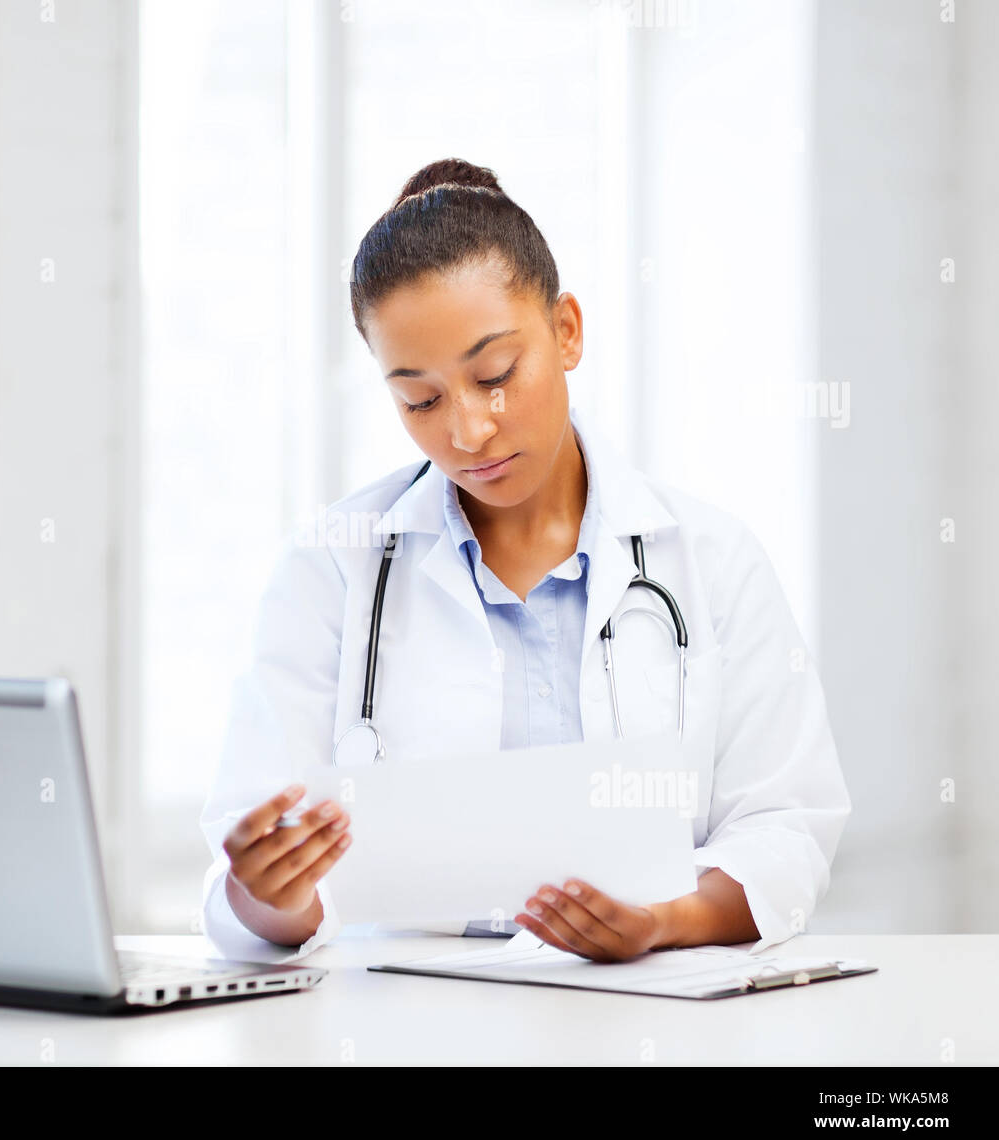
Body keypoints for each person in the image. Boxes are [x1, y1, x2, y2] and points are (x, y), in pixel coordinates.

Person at [199, 158, 850, 964]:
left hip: (651, 1022)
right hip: (404, 1025)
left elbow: (786, 825)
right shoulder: (332, 568)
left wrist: (663, 920)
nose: (468, 432)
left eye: (495, 375)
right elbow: (251, 872)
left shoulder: (712, 559)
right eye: (421, 400)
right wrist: (269, 889)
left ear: (567, 330)